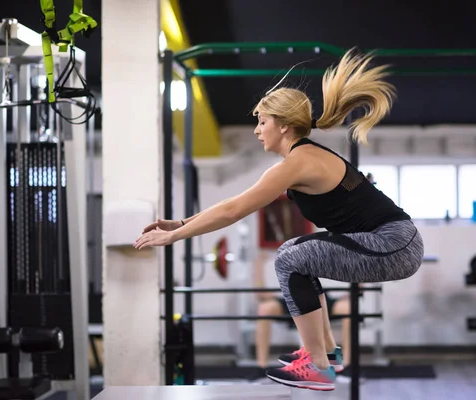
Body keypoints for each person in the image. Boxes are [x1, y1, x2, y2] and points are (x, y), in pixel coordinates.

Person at [135, 48, 424, 391]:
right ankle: (326, 355)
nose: (257, 130)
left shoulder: (298, 162)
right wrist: (182, 224)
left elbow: (233, 210)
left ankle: (317, 366)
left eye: (262, 121)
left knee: (290, 257)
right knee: (294, 253)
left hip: (394, 245)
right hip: (391, 243)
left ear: (284, 126)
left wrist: (173, 237)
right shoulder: (300, 160)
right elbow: (234, 202)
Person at [252, 251, 351, 373]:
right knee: (265, 308)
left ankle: (343, 364)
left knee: (347, 308)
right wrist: (258, 265)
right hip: (291, 296)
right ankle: (261, 366)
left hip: (321, 294)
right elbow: (261, 294)